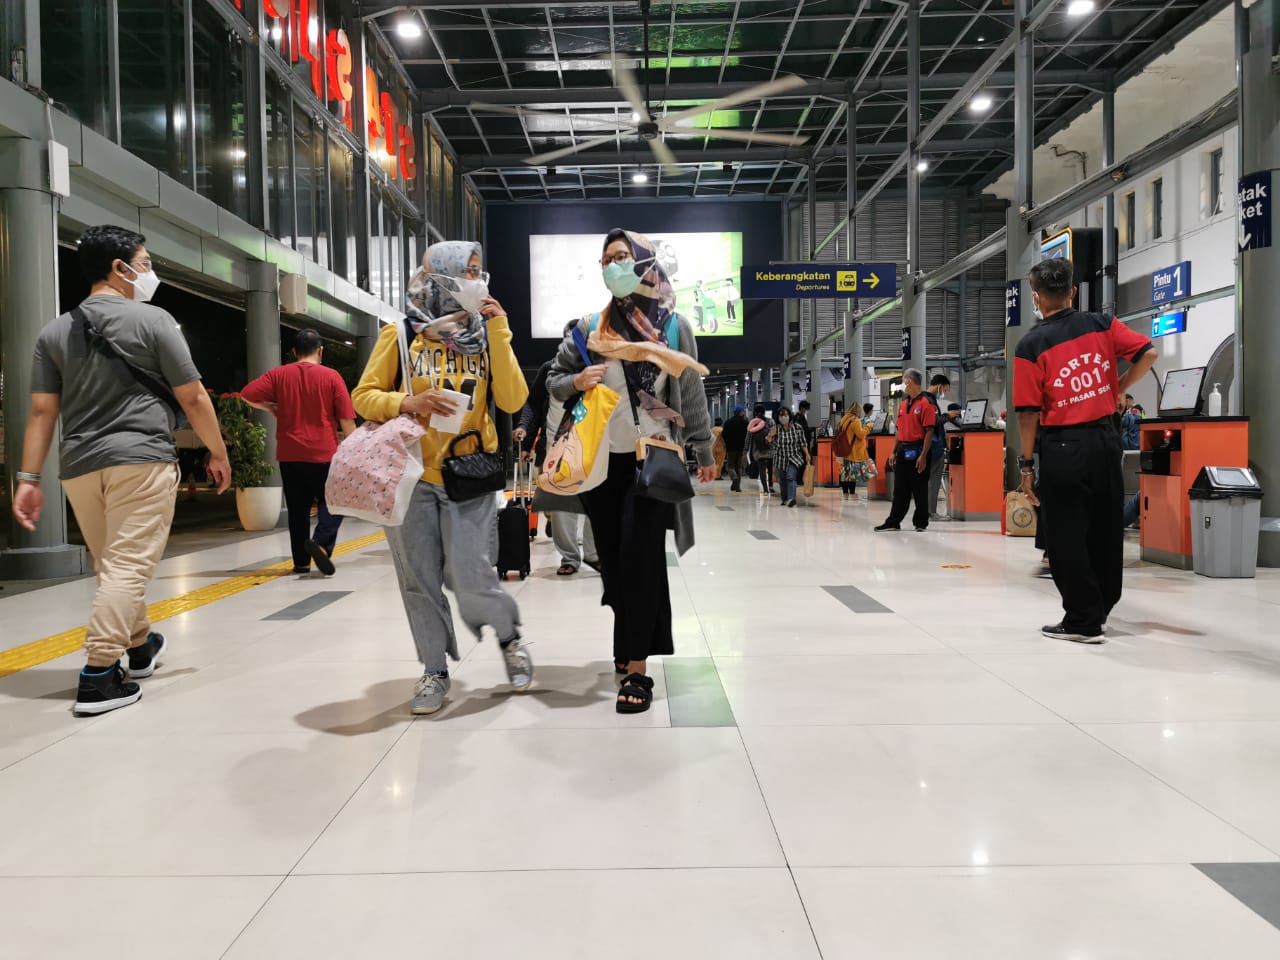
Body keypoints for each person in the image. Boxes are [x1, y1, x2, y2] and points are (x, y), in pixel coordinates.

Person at [12, 225, 232, 716]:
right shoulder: (153, 321)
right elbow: (193, 397)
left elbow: (43, 413)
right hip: (141, 460)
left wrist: (28, 480)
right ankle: (97, 674)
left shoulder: (54, 331)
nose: (149, 271)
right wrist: (218, 453)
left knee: (113, 565)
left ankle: (139, 646)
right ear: (120, 268)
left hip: (79, 467)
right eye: (145, 262)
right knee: (129, 566)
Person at [351, 241, 531, 715]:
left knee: (471, 575)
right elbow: (363, 397)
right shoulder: (401, 333)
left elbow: (512, 401)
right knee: (418, 579)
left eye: (480, 271)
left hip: (470, 472)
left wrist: (500, 329)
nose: (478, 280)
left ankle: (509, 637)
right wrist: (406, 403)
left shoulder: (485, 333)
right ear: (439, 279)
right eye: (468, 272)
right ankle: (434, 669)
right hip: (409, 475)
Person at [547, 228, 716, 714]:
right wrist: (577, 379)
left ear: (644, 263)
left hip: (652, 459)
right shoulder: (586, 331)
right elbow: (554, 380)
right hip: (601, 464)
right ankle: (630, 641)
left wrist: (702, 449)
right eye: (606, 260)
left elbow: (690, 394)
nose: (613, 267)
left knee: (642, 560)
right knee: (615, 566)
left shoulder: (673, 327)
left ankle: (637, 668)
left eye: (622, 257)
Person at [1014, 258, 1156, 643]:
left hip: (1063, 446)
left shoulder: (1030, 345)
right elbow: (1149, 351)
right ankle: (1102, 608)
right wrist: (1119, 386)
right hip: (1105, 441)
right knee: (1105, 529)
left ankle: (1082, 620)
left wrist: (1026, 467)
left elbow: (1028, 414)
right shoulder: (1101, 324)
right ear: (1072, 292)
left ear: (1036, 297)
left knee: (1064, 536)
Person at [241, 329, 356, 576]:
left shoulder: (279, 375)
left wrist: (269, 406)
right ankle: (322, 545)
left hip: (290, 454)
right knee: (335, 501)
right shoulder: (332, 376)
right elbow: (347, 420)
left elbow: (247, 394)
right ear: (320, 350)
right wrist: (354, 451)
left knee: (297, 509)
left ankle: (301, 563)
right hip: (323, 453)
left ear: (294, 352)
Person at [516, 356, 599, 576]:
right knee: (562, 507)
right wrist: (526, 440)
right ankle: (570, 558)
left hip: (594, 446)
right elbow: (533, 404)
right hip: (556, 447)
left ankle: (596, 555)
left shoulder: (600, 369)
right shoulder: (549, 369)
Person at [874, 369, 935, 532]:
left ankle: (921, 522)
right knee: (900, 489)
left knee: (919, 489)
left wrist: (923, 456)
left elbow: (929, 432)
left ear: (909, 381)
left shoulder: (925, 404)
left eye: (903, 380)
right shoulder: (903, 404)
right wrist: (893, 451)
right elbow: (898, 431)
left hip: (919, 450)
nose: (902, 384)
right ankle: (894, 521)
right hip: (902, 451)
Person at [924, 374, 951, 520]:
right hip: (934, 447)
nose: (944, 393)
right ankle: (931, 512)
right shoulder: (930, 401)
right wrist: (948, 415)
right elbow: (934, 421)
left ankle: (925, 511)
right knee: (934, 481)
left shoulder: (921, 398)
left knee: (926, 481)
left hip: (925, 447)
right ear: (939, 386)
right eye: (944, 390)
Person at [773, 406, 810, 507]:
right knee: (782, 479)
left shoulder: (798, 428)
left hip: (794, 457)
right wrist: (770, 437)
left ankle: (791, 498)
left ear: (789, 415)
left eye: (785, 415)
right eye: (781, 415)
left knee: (790, 477)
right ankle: (785, 499)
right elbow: (769, 444)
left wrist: (807, 454)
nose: (784, 417)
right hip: (780, 458)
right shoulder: (776, 429)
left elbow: (802, 442)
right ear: (778, 417)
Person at [835, 405, 872, 500]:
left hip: (842, 449)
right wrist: (869, 427)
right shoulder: (855, 420)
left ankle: (845, 494)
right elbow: (860, 434)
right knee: (852, 474)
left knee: (844, 473)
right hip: (852, 451)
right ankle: (851, 493)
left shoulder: (843, 419)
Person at [747, 405, 775, 495]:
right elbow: (774, 434)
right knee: (770, 469)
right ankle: (771, 486)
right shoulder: (770, 421)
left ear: (755, 412)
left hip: (758, 450)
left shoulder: (753, 423)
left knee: (762, 470)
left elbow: (748, 437)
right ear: (764, 412)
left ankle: (765, 489)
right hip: (770, 449)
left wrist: (746, 450)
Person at [721, 405, 749, 492]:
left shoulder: (728, 422)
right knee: (738, 467)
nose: (744, 413)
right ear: (740, 412)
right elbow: (748, 436)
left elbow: (724, 435)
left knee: (730, 466)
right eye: (743, 411)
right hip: (741, 448)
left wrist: (727, 443)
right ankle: (737, 487)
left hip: (731, 448)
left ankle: (734, 478)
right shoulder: (745, 423)